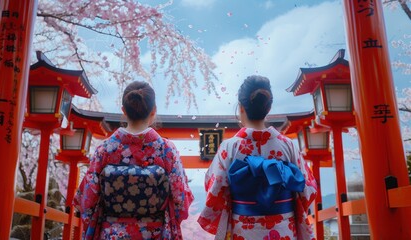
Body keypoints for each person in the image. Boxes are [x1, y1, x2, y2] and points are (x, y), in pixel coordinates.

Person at [198, 75, 317, 240]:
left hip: (244, 230)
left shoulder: (229, 147)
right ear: (268, 108)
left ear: (241, 107)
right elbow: (307, 189)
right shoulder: (287, 145)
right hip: (283, 228)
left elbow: (215, 191)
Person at [73, 81, 194, 240]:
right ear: (154, 111)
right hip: (155, 233)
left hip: (112, 234)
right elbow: (181, 202)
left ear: (123, 111)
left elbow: (86, 201)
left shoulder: (105, 150)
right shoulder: (166, 150)